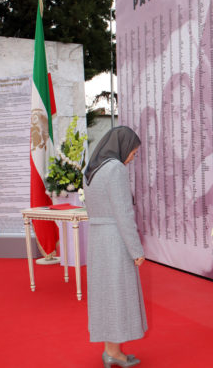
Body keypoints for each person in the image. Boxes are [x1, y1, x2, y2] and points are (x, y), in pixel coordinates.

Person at [83, 126, 147, 368]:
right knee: (118, 295)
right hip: (115, 239)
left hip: (98, 239)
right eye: (134, 152)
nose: (132, 157)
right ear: (123, 145)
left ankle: (112, 351)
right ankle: (114, 354)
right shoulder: (115, 169)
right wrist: (137, 251)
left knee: (106, 295)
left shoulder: (90, 170)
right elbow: (123, 213)